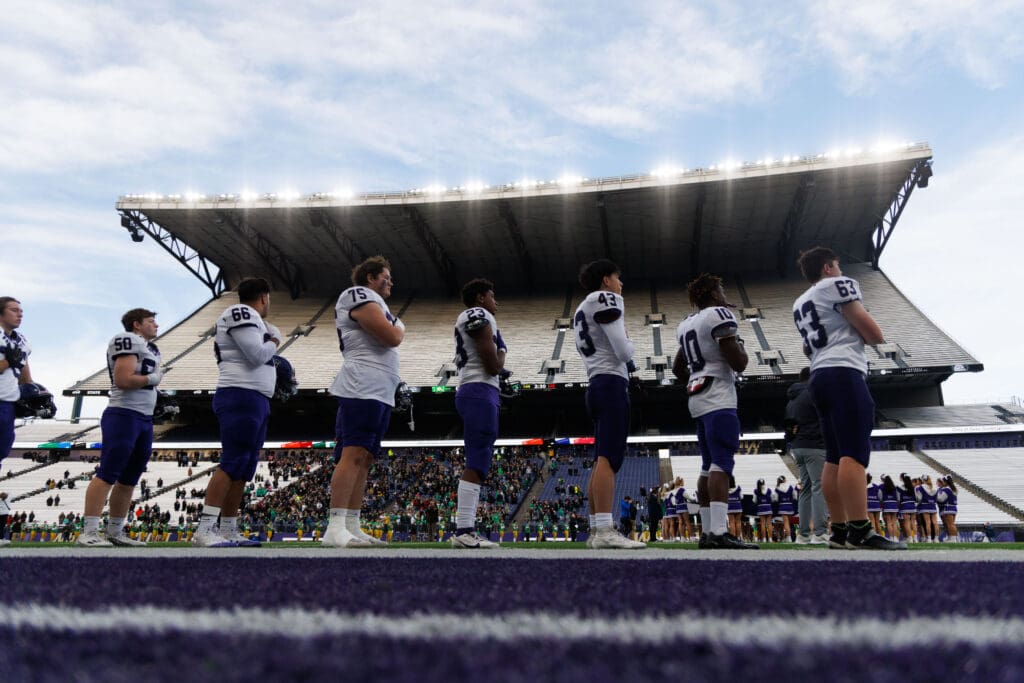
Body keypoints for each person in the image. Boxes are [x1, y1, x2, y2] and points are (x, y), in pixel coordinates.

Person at [792, 247, 905, 550]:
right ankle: (860, 530)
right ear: (828, 268)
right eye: (838, 266)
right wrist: (873, 335)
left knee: (833, 456)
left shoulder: (801, 302)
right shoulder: (836, 286)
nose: (841, 271)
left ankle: (839, 530)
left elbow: (808, 348)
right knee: (853, 453)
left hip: (819, 375)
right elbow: (873, 333)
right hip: (843, 371)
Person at [322, 256, 404, 548]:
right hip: (363, 382)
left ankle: (351, 525)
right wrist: (399, 326)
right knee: (353, 454)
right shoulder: (359, 295)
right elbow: (391, 336)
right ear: (370, 277)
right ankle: (334, 527)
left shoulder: (375, 301)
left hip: (378, 386)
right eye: (386, 276)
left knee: (365, 458)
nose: (391, 281)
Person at [193, 278, 280, 547]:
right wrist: (275, 339)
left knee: (244, 467)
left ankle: (229, 528)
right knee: (232, 462)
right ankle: (205, 529)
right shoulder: (240, 312)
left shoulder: (251, 318)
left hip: (254, 396)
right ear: (264, 296)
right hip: (240, 394)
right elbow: (256, 354)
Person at [673, 273, 757, 550]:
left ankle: (708, 532)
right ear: (713, 293)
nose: (724, 293)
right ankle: (720, 531)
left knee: (708, 465)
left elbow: (677, 368)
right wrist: (741, 346)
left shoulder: (686, 323)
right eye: (721, 289)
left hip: (697, 396)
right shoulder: (718, 315)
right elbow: (739, 363)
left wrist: (698, 377)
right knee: (722, 462)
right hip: (719, 394)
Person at [572, 259, 644, 549]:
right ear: (605, 280)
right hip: (610, 383)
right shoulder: (606, 299)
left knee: (602, 458)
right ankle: (604, 529)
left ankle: (595, 529)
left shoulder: (582, 307)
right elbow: (623, 350)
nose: (621, 283)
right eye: (617, 277)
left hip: (596, 382)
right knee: (609, 459)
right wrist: (631, 343)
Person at [77, 309, 165, 547]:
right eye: (151, 321)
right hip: (124, 414)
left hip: (144, 418)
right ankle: (89, 532)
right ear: (137, 324)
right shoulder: (126, 339)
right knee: (108, 473)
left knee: (129, 478)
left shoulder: (153, 349)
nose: (156, 325)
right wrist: (152, 380)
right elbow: (124, 380)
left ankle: (115, 531)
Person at [450, 278, 506, 549]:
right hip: (478, 389)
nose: (496, 301)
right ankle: (464, 530)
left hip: (478, 389)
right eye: (492, 295)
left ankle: (466, 529)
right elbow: (493, 366)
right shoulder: (478, 314)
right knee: (477, 461)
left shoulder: (483, 316)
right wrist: (502, 354)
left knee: (480, 461)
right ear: (481, 298)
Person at [785, 367, 828, 544]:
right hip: (814, 445)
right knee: (819, 486)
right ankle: (819, 532)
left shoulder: (791, 400)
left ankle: (802, 535)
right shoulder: (814, 394)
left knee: (806, 489)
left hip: (798, 446)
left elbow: (788, 426)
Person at [0, 297, 33, 472]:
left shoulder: (21, 340)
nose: (19, 314)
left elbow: (23, 368)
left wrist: (32, 389)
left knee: (2, 450)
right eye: (14, 310)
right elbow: (12, 362)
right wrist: (7, 363)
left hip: (8, 402)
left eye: (21, 311)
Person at [936, 476, 959, 542]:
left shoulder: (947, 489)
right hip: (952, 508)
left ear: (945, 482)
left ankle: (953, 538)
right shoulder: (953, 488)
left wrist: (935, 495)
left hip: (947, 508)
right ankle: (950, 537)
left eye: (943, 481)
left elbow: (940, 499)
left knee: (950, 524)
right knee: (949, 524)